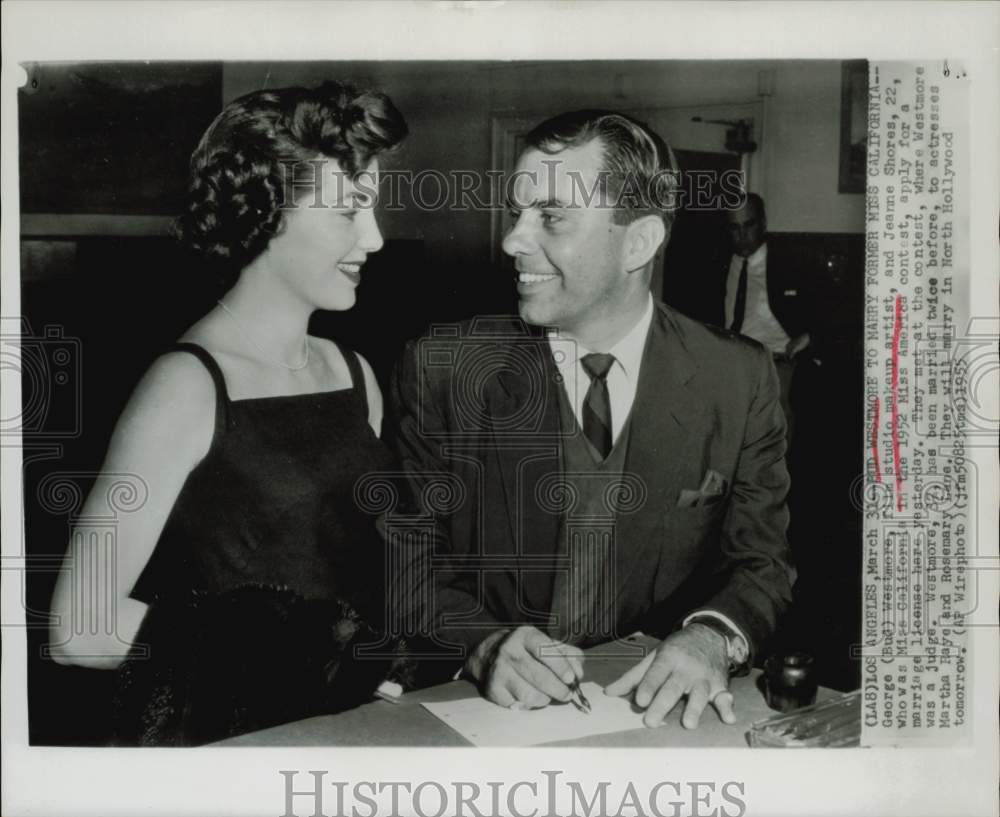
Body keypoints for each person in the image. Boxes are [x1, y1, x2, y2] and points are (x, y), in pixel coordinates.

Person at [386, 110, 794, 730]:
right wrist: (483, 643)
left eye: (550, 217)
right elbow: (406, 566)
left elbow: (762, 563)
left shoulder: (737, 379)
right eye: (517, 213)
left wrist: (712, 637)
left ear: (638, 242)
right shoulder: (441, 370)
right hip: (476, 716)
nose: (513, 240)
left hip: (651, 723)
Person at [48, 82, 409, 745]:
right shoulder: (183, 386)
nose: (375, 238)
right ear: (269, 211)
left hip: (347, 733)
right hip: (224, 739)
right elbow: (79, 625)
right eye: (349, 211)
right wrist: (293, 656)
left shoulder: (355, 374)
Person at [724, 193, 812, 439]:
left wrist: (809, 336)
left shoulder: (790, 261)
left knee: (774, 417)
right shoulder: (718, 264)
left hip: (775, 358)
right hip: (730, 359)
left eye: (748, 225)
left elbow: (831, 304)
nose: (742, 236)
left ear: (763, 223)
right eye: (734, 228)